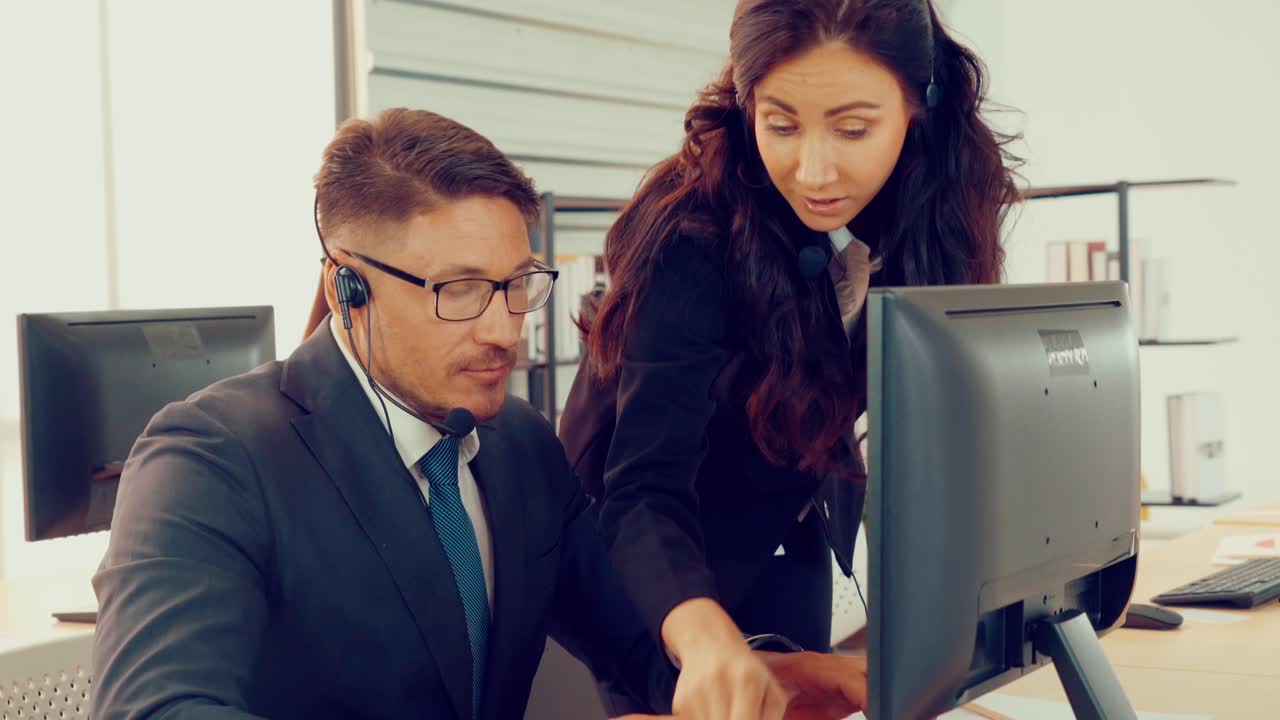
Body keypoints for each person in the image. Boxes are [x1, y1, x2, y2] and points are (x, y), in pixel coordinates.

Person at [91, 107, 867, 720]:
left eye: (516, 284)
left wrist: (802, 680)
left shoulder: (519, 446)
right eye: (458, 291)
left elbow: (643, 650)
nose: (504, 328)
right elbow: (154, 710)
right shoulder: (209, 459)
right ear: (346, 291)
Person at [560, 0, 1020, 705]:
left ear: (918, 104)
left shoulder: (937, 207)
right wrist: (709, 639)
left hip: (782, 529)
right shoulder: (690, 234)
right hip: (649, 574)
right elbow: (643, 489)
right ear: (747, 107)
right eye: (780, 125)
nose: (813, 171)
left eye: (853, 128)